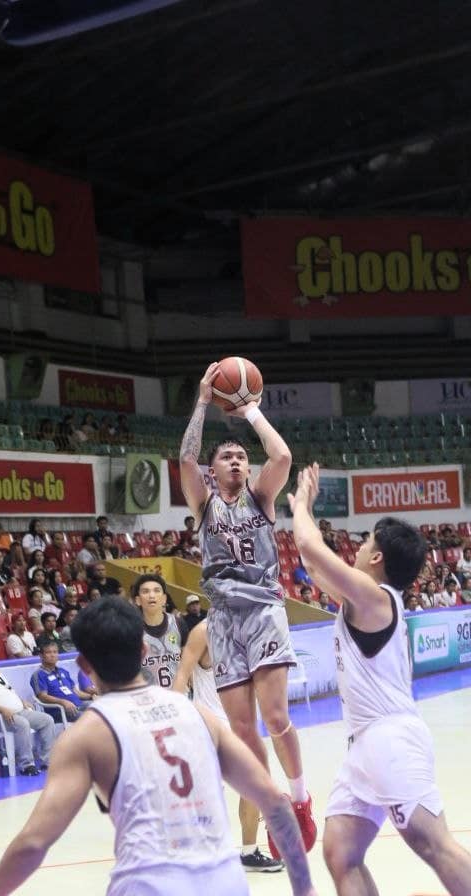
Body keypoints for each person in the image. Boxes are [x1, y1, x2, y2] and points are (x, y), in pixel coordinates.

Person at [0, 597, 316, 896]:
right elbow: (274, 802)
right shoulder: (198, 714)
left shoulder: (85, 735)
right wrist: (305, 887)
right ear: (143, 650)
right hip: (225, 882)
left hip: (150, 883)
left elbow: (34, 843)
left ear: (82, 665)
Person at [290, 463, 471, 896]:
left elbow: (308, 541)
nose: (358, 549)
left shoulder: (374, 596)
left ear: (377, 558)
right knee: (340, 851)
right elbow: (310, 559)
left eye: (364, 543)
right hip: (363, 742)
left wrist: (302, 500)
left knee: (433, 843)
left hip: (390, 737)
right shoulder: (362, 596)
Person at [179, 362, 316, 854]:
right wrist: (202, 401)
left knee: (276, 716)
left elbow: (282, 455)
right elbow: (185, 459)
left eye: (241, 457)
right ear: (212, 472)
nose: (236, 461)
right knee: (241, 728)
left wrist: (251, 411)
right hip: (222, 618)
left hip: (262, 611)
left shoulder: (261, 498)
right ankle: (273, 803)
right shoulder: (203, 503)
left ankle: (300, 799)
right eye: (226, 457)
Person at [173, 619, 284, 873]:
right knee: (204, 795)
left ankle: (248, 851)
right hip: (209, 726)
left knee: (254, 789)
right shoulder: (202, 632)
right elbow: (182, 674)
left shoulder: (252, 627)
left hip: (243, 728)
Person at [0, 646, 55, 776]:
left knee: (46, 720)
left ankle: (48, 761)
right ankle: (27, 765)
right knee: (22, 724)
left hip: (17, 712)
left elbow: (10, 692)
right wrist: (2, 709)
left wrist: (22, 702)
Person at [134, 574, 188, 688]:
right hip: (148, 699)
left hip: (179, 696)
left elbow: (187, 661)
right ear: (138, 600)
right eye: (145, 591)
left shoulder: (178, 623)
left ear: (164, 599)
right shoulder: (131, 629)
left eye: (156, 590)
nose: (151, 595)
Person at [31, 642, 92, 719]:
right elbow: (43, 697)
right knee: (91, 718)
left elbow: (77, 693)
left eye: (55, 652)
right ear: (41, 656)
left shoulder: (63, 671)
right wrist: (63, 702)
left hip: (79, 704)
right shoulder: (38, 675)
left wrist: (92, 696)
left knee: (100, 708)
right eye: (48, 652)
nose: (52, 655)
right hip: (60, 710)